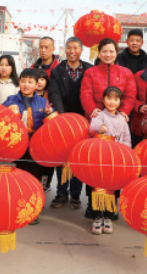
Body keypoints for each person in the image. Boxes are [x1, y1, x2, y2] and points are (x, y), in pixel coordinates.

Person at [48, 37, 92, 209]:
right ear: (64, 50)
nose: (72, 51)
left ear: (81, 50)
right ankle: (61, 193)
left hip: (83, 120)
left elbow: (89, 93)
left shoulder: (89, 69)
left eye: (75, 48)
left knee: (79, 157)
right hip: (63, 120)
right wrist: (62, 117)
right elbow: (54, 93)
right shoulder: (57, 71)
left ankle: (75, 194)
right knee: (62, 157)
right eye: (69, 48)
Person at [3, 68, 50, 224]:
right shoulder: (10, 100)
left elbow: (52, 124)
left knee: (33, 179)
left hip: (34, 147)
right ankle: (15, 207)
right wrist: (9, 111)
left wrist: (50, 114)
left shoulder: (43, 102)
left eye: (30, 82)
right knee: (15, 177)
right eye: (23, 81)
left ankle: (32, 210)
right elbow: (0, 118)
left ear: (37, 85)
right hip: (15, 146)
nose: (25, 84)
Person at [88, 87, 131, 235]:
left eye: (116, 99)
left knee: (113, 188)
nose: (112, 102)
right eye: (109, 98)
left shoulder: (122, 120)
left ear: (120, 102)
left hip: (116, 160)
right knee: (97, 187)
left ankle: (108, 217)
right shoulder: (99, 115)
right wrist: (100, 127)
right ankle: (96, 217)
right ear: (103, 100)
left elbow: (126, 139)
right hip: (99, 158)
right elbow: (92, 127)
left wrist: (125, 154)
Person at [80, 38, 137, 120]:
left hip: (118, 119)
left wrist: (123, 111)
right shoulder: (90, 72)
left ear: (117, 53)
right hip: (95, 118)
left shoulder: (127, 73)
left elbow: (130, 96)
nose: (108, 55)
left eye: (111, 51)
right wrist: (93, 109)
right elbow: (85, 95)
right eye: (104, 51)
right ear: (99, 53)